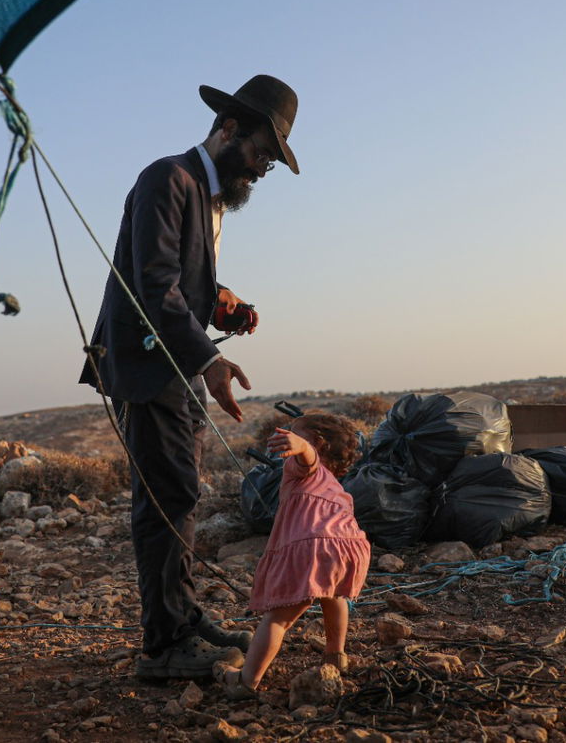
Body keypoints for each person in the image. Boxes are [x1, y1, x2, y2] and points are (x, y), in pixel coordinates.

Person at [78, 74, 301, 680]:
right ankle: (164, 646)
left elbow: (183, 280)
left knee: (179, 494)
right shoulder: (167, 179)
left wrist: (222, 302)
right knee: (165, 499)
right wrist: (210, 357)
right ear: (228, 128)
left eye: (270, 165)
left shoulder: (209, 198)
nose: (259, 171)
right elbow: (154, 283)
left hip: (175, 365)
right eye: (260, 154)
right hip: (150, 367)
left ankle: (180, 617)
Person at [214, 413, 370, 698]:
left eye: (295, 432)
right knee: (333, 597)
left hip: (313, 548)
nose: (289, 435)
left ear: (318, 444)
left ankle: (246, 682)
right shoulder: (334, 484)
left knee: (277, 619)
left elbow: (308, 457)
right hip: (349, 546)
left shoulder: (306, 469)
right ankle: (335, 654)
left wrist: (302, 447)